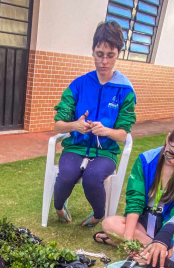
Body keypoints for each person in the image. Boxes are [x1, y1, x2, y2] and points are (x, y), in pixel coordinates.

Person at [52, 20, 137, 227]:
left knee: (92, 178)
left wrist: (106, 130)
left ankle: (99, 215)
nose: (104, 61)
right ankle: (59, 208)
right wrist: (75, 126)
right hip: (76, 147)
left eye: (110, 55)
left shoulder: (125, 90)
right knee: (66, 175)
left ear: (118, 54)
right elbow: (58, 126)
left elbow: (123, 135)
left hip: (106, 153)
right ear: (93, 51)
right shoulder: (79, 84)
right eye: (99, 54)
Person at [96, 117, 174, 252]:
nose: (172, 161)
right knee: (109, 223)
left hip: (169, 231)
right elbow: (135, 200)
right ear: (168, 138)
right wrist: (129, 239)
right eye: (170, 153)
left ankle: (150, 249)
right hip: (143, 223)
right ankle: (155, 252)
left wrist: (164, 241)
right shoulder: (145, 160)